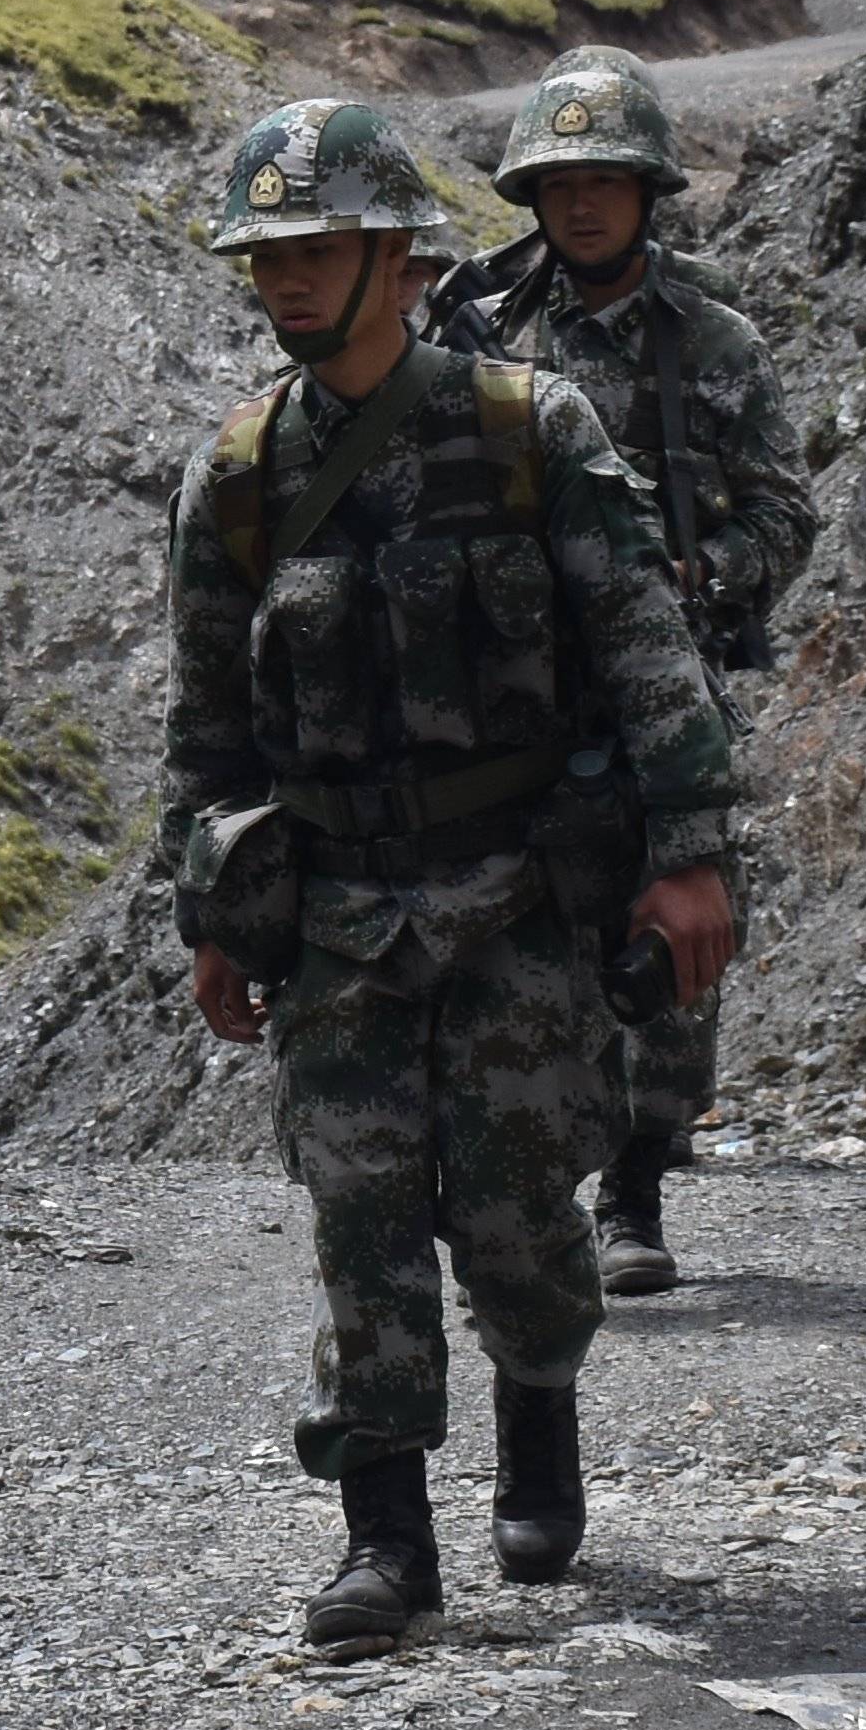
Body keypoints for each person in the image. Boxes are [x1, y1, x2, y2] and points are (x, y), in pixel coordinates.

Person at [162, 95, 741, 1648]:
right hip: (340, 920)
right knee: (359, 1217)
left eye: (317, 248)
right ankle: (386, 1540)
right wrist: (215, 918)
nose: (285, 282)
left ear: (397, 257)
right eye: (264, 256)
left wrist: (688, 859)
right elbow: (207, 736)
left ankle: (537, 1409)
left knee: (516, 1219)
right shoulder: (234, 481)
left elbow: (649, 658)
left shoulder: (528, 427)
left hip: (515, 907)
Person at [426, 48, 819, 1293]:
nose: (583, 204)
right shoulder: (481, 329)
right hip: (519, 694)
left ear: (649, 190)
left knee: (676, 946)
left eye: (607, 180)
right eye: (561, 182)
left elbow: (785, 513)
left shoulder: (714, 340)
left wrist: (698, 580)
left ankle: (638, 1180)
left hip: (664, 687)